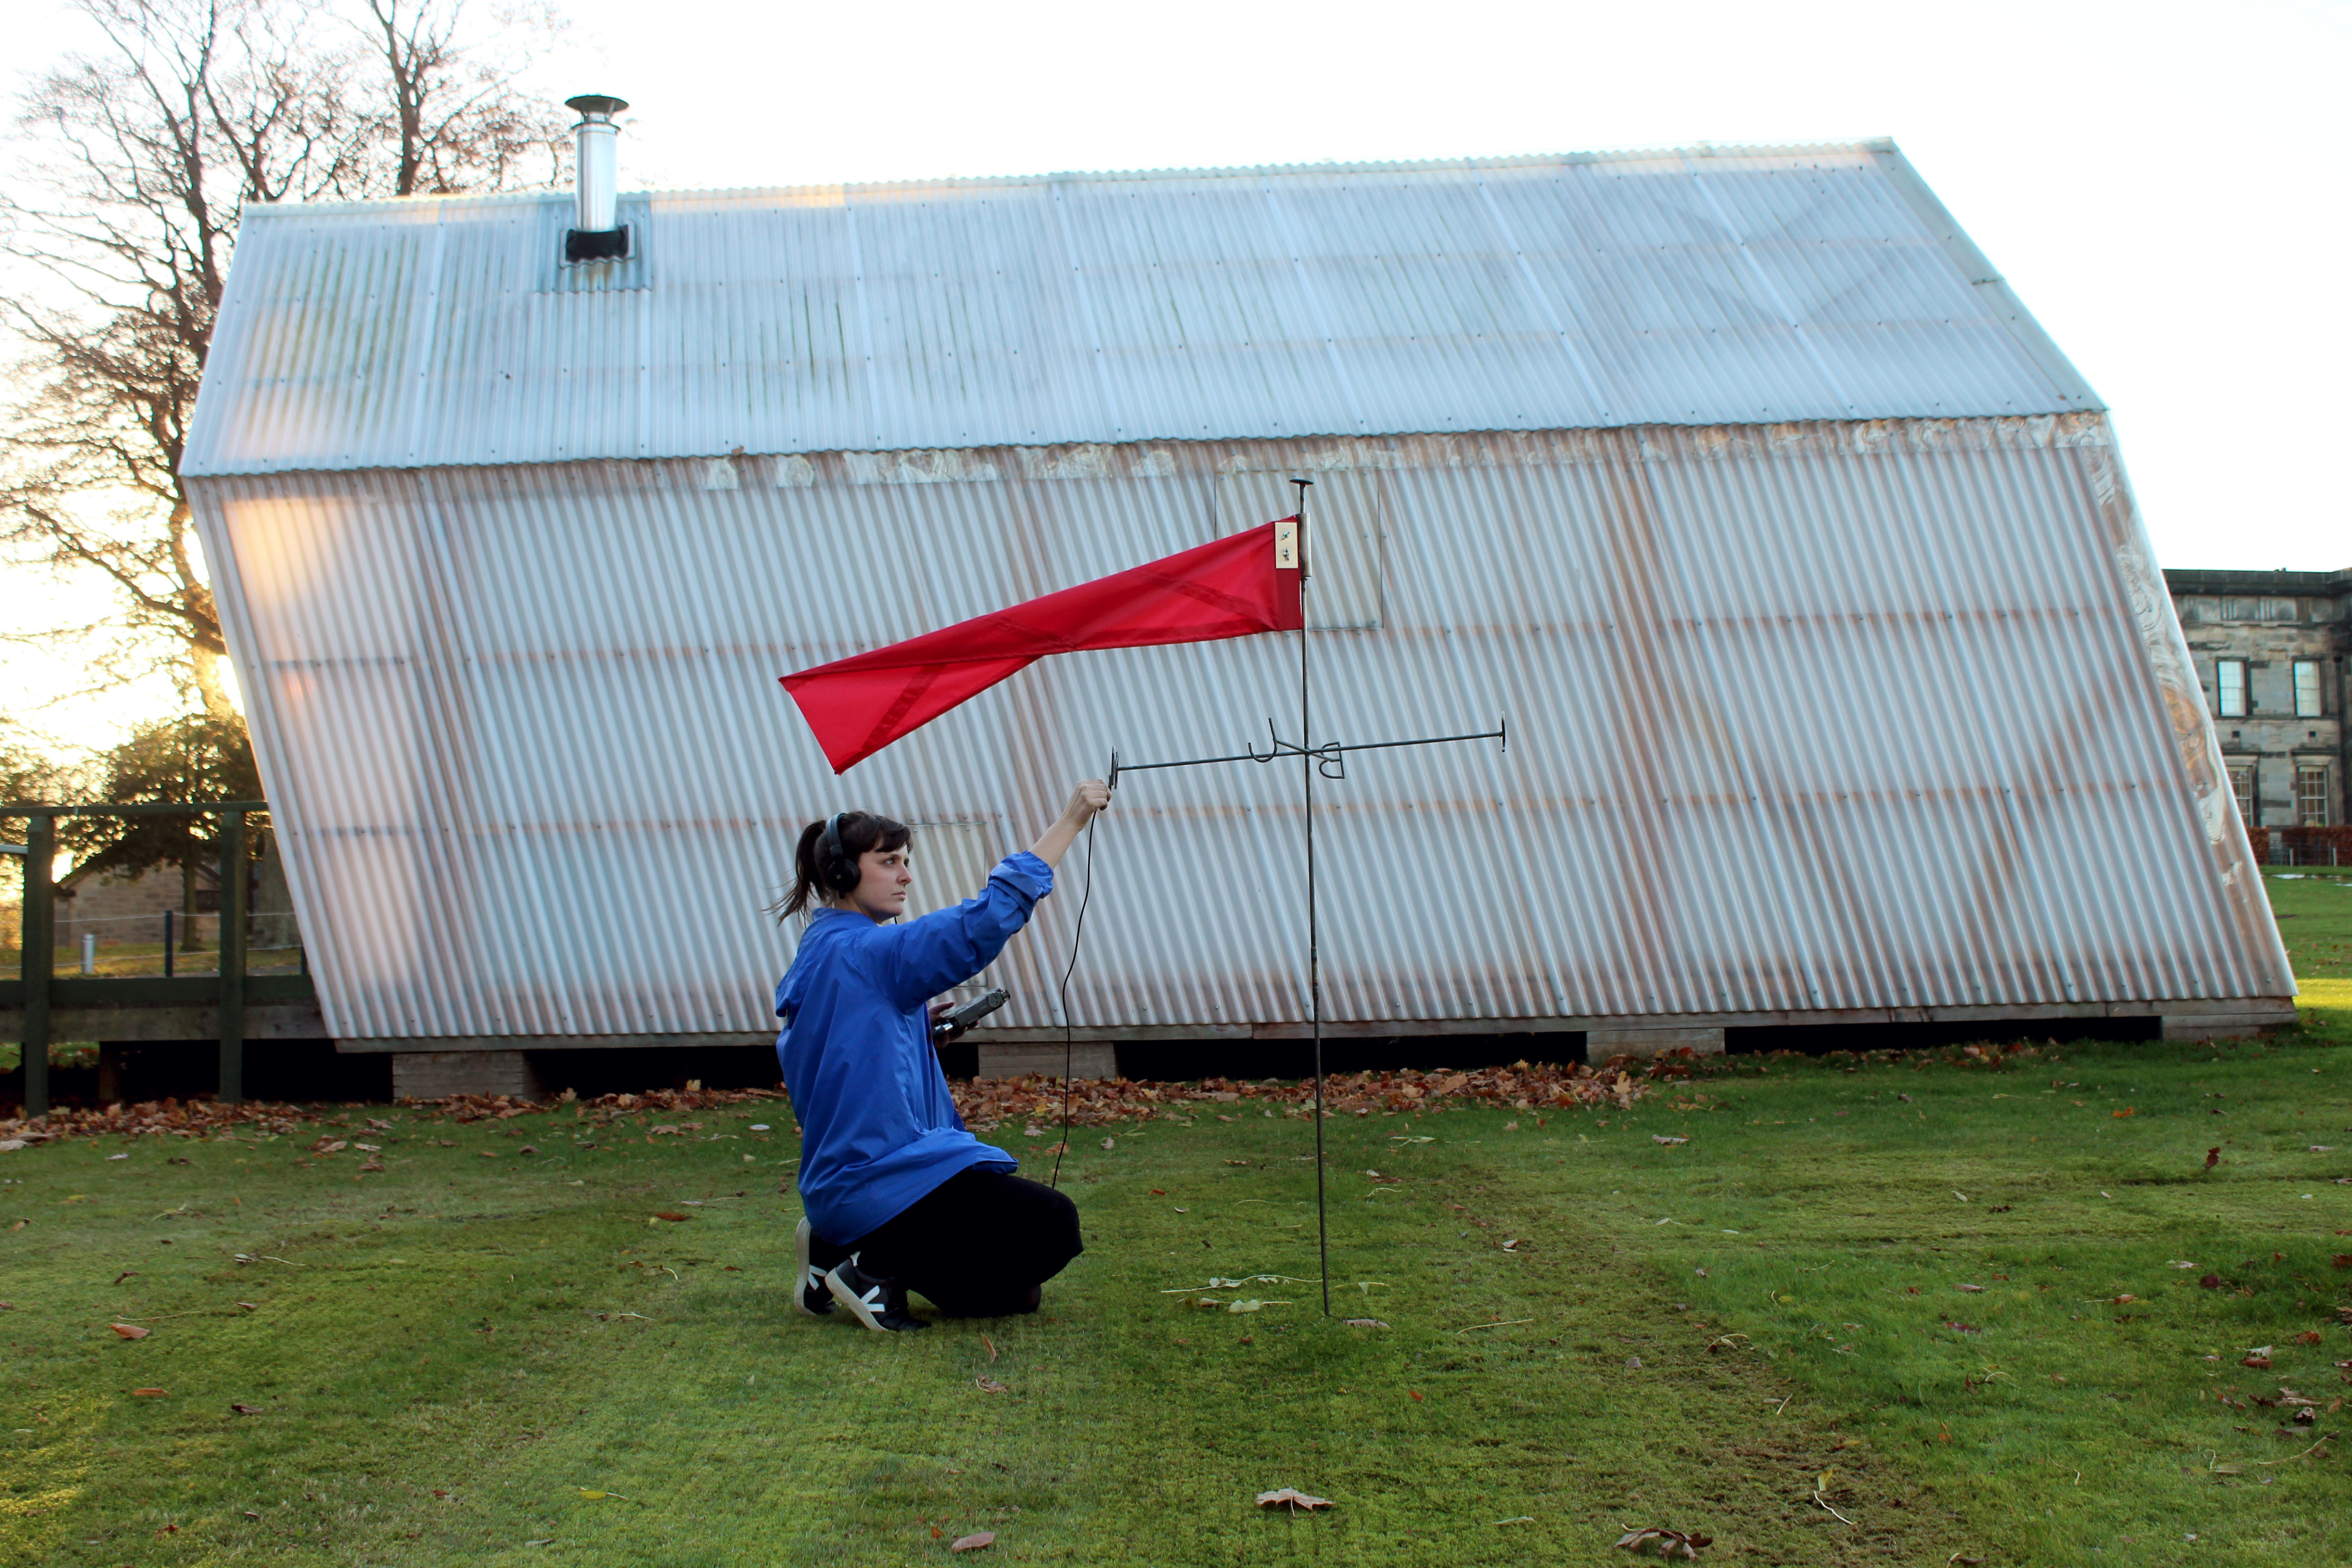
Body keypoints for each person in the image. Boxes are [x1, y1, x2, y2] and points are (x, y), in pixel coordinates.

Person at [773, 781, 1111, 1333]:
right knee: (1054, 1224)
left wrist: (912, 1032)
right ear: (843, 874)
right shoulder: (872, 951)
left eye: (906, 860)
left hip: (843, 1183)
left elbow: (834, 1053)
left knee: (1010, 1298)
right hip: (882, 1181)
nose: (906, 875)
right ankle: (872, 1266)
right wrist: (1070, 821)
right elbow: (983, 921)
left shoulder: (822, 947)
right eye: (888, 861)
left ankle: (835, 1245)